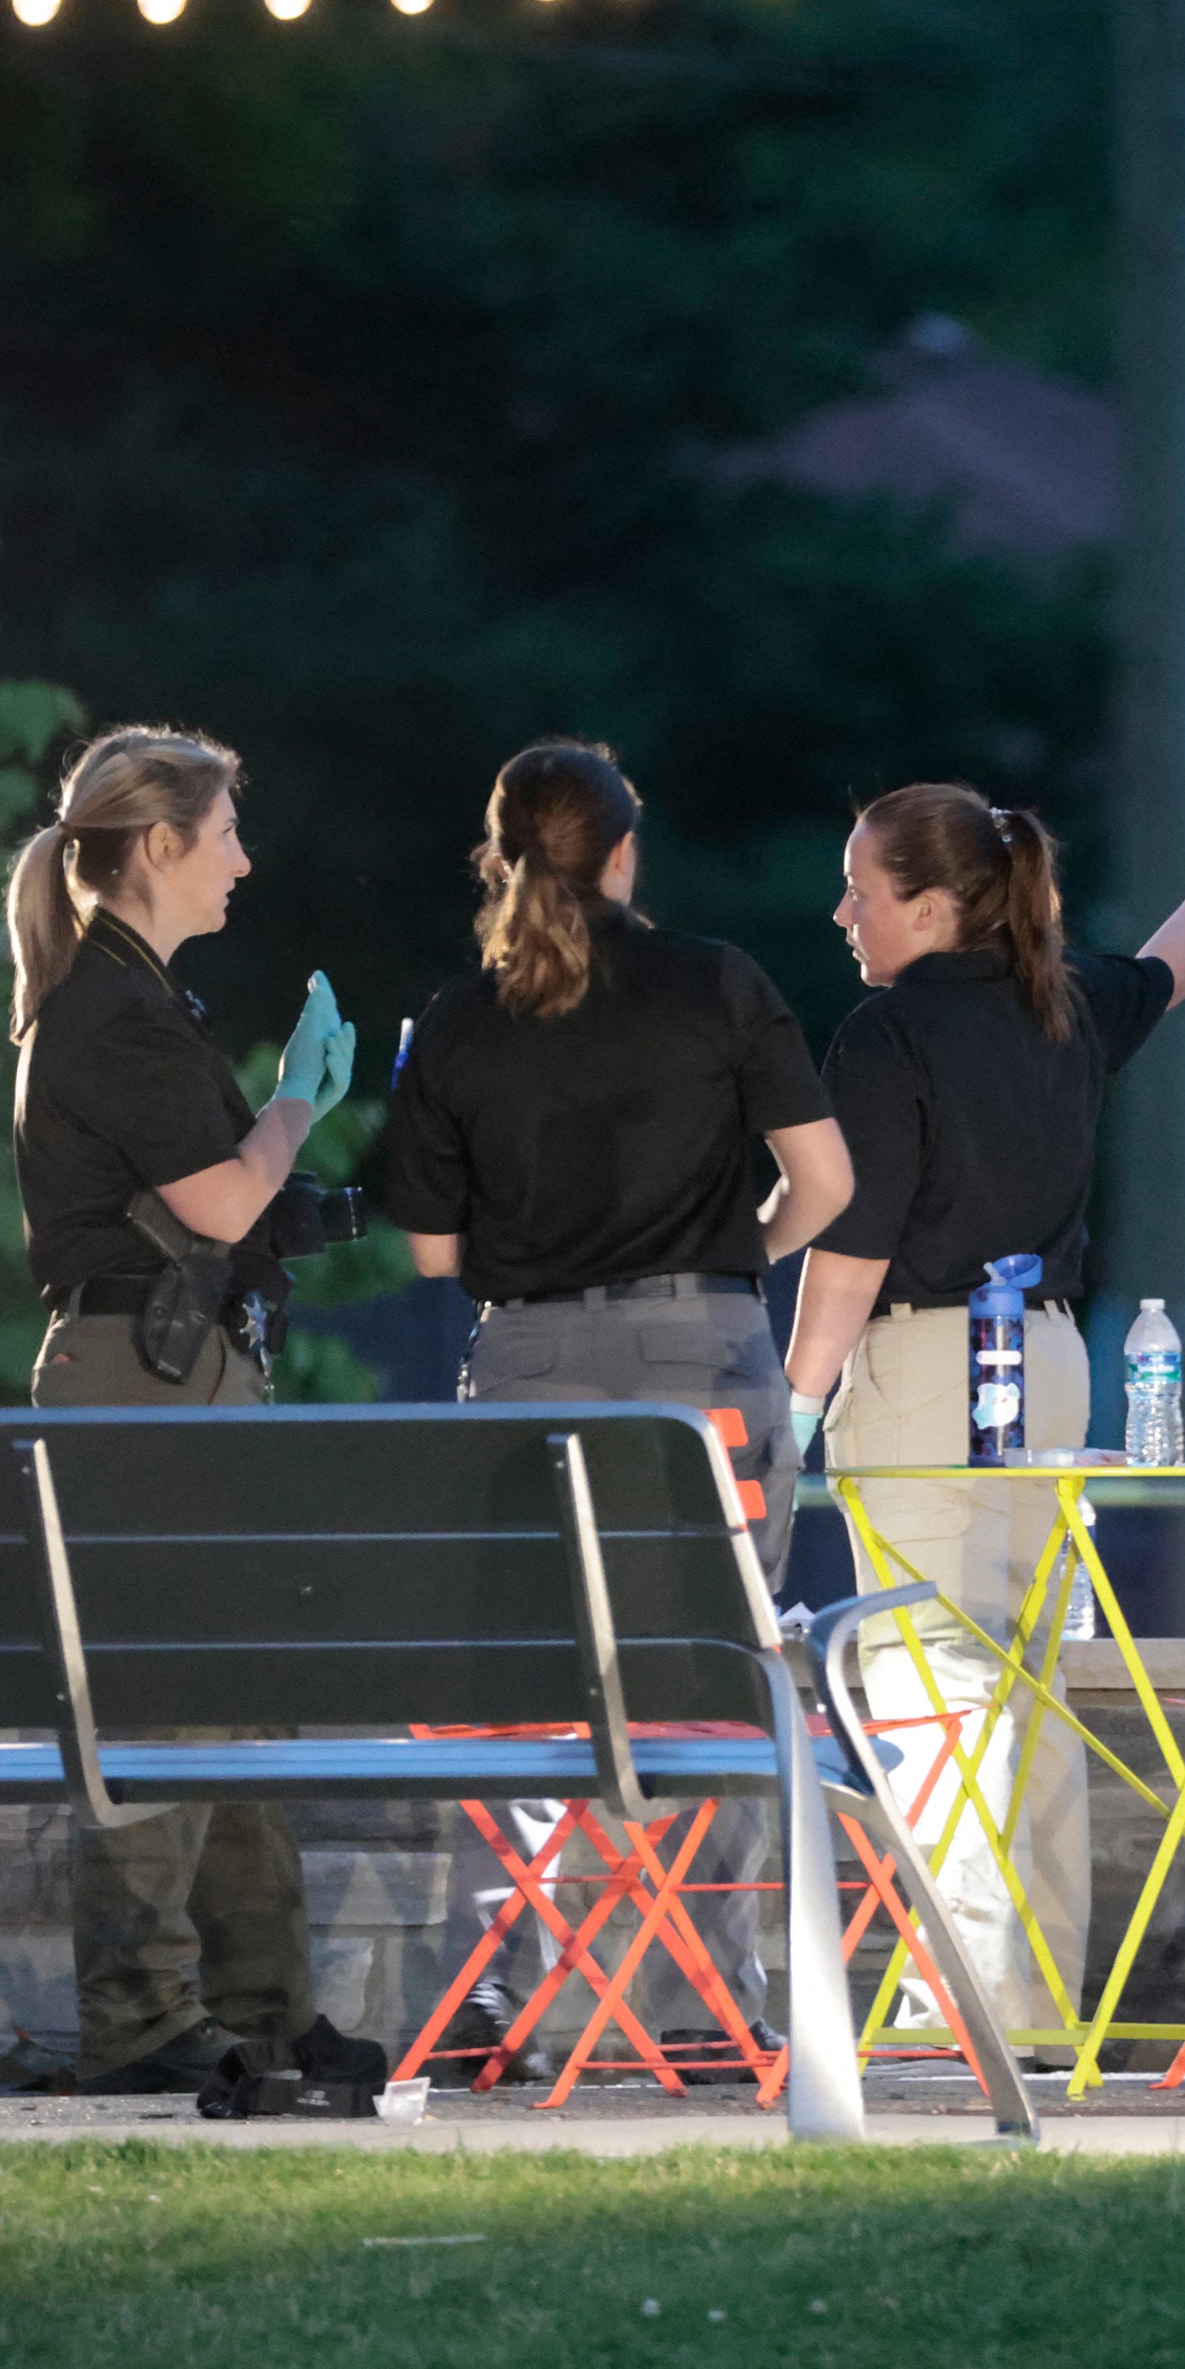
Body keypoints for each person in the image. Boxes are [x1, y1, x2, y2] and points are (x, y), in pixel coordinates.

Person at [370, 739, 852, 2077]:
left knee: (522, 1665)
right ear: (628, 852)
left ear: (503, 859)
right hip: (707, 1357)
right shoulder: (718, 982)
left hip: (526, 1363)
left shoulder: (462, 1016)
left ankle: (502, 1986)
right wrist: (732, 1247)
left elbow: (430, 1253)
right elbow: (825, 1180)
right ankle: (710, 2002)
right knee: (721, 1662)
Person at [781, 784, 1185, 2047]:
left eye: (862, 888)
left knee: (926, 1683)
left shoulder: (883, 1040)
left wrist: (786, 1405)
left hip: (923, 1372)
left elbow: (848, 1254)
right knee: (1028, 1682)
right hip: (1051, 1369)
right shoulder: (1062, 1003)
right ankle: (1030, 1990)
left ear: (936, 906)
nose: (839, 911)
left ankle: (966, 1996)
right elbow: (1172, 967)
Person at [7, 723, 362, 2093]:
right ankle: (150, 2024)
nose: (243, 861)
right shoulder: (113, 1007)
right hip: (145, 1376)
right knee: (168, 1700)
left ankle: (262, 2013)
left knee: (234, 1694)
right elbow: (219, 1199)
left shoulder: (129, 998)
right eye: (223, 834)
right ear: (157, 844)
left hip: (171, 1365)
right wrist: (287, 1111)